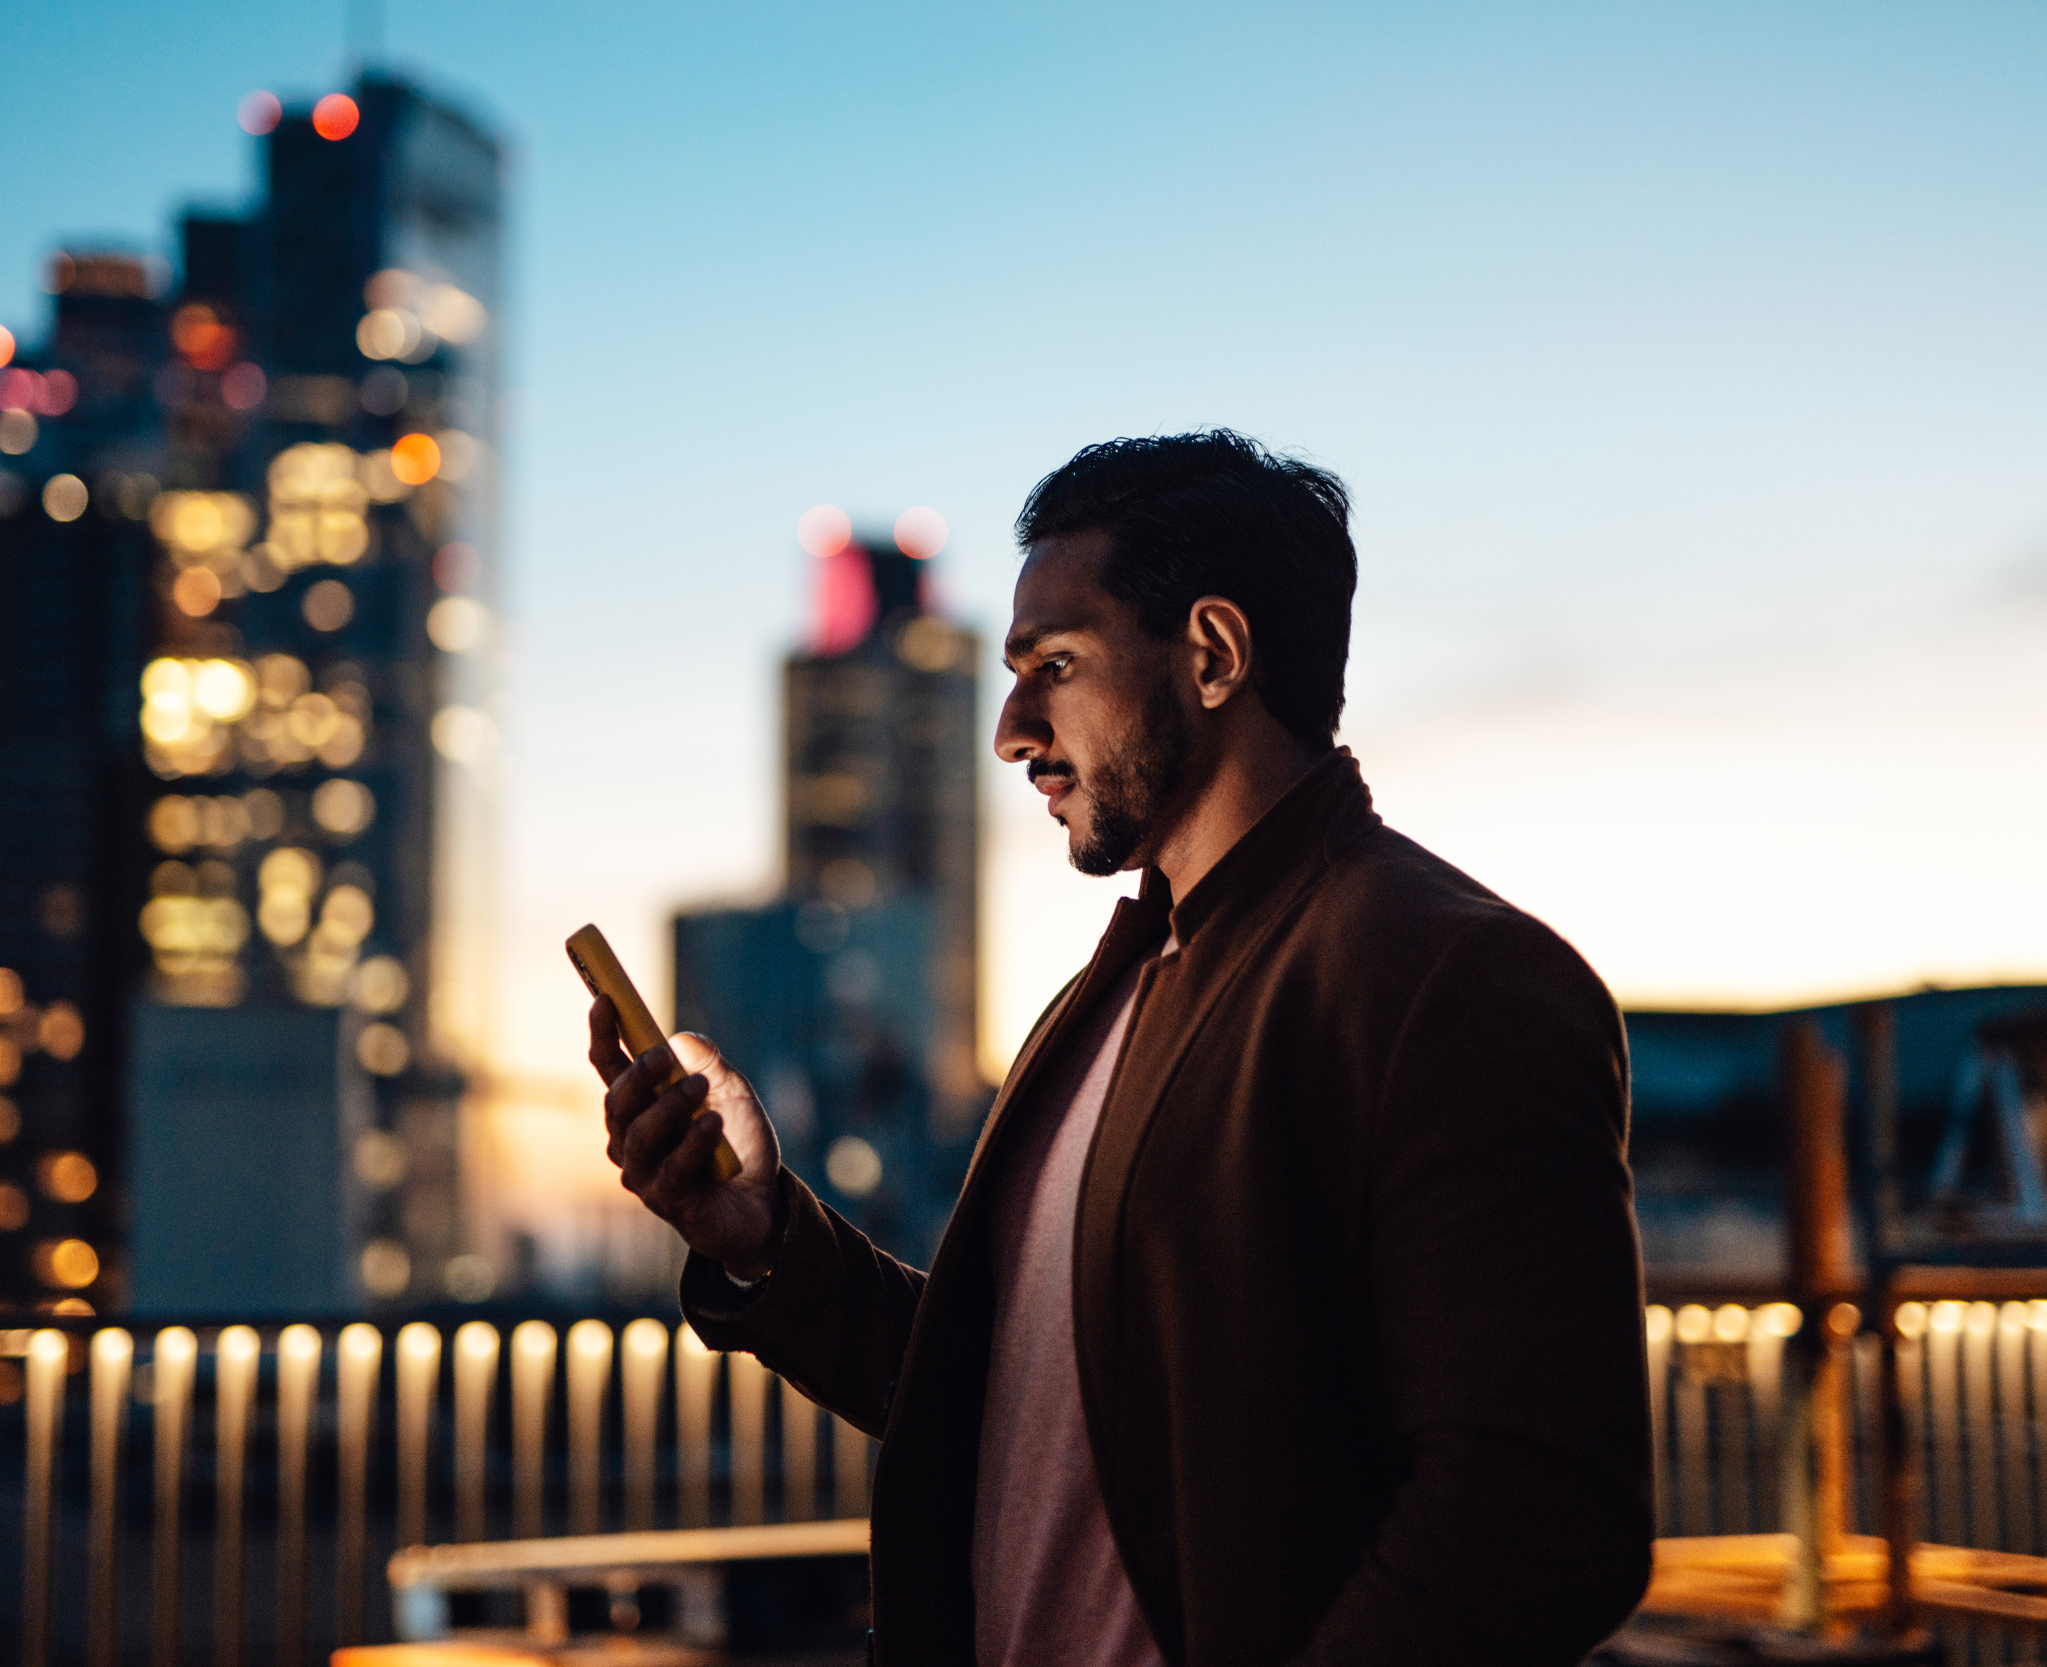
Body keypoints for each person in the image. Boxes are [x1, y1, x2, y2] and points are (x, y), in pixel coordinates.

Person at [589, 431, 1654, 1666]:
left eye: (1054, 663)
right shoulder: (1110, 994)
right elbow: (1013, 1406)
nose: (1009, 729)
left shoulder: (1451, 980)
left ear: (1210, 654)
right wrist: (764, 1238)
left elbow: (1541, 1515)